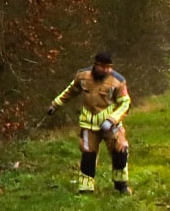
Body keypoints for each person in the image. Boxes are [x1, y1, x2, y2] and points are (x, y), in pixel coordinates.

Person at [49, 52, 132, 194]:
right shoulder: (82, 76)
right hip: (88, 124)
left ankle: (121, 185)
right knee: (88, 156)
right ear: (95, 64)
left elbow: (125, 103)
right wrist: (55, 104)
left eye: (108, 67)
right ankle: (86, 188)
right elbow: (70, 91)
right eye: (102, 67)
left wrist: (112, 120)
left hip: (111, 125)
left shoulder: (118, 81)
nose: (105, 70)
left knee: (120, 152)